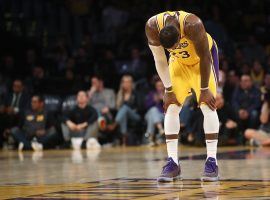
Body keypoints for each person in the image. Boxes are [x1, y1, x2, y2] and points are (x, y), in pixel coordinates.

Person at [146, 10, 220, 182]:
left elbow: (205, 57)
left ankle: (212, 162)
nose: (172, 49)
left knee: (207, 105)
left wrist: (204, 89)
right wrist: (168, 89)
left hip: (202, 61)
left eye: (174, 46)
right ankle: (172, 162)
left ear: (180, 36)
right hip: (178, 63)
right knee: (170, 107)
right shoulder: (152, 26)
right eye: (169, 49)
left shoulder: (193, 24)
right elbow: (159, 60)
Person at [108, 75, 141, 146]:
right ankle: (124, 140)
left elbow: (141, 107)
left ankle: (114, 125)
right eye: (124, 82)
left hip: (135, 116)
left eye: (128, 82)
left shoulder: (136, 93)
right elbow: (116, 108)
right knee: (124, 113)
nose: (126, 84)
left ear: (131, 83)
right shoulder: (120, 94)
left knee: (125, 108)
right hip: (123, 117)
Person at [144, 77, 165, 146]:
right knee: (153, 110)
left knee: (151, 117)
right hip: (150, 113)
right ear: (155, 87)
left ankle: (150, 138)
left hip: (163, 115)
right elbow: (146, 106)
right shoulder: (152, 94)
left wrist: (164, 101)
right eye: (158, 86)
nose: (160, 88)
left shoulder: (167, 94)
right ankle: (161, 129)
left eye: (161, 86)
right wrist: (154, 101)